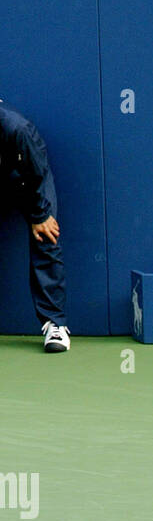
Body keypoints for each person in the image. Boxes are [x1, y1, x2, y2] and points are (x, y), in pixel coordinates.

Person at [0, 100, 70, 351]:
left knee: (45, 233)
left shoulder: (17, 129)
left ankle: (55, 324)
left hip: (26, 178)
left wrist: (40, 215)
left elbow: (35, 175)